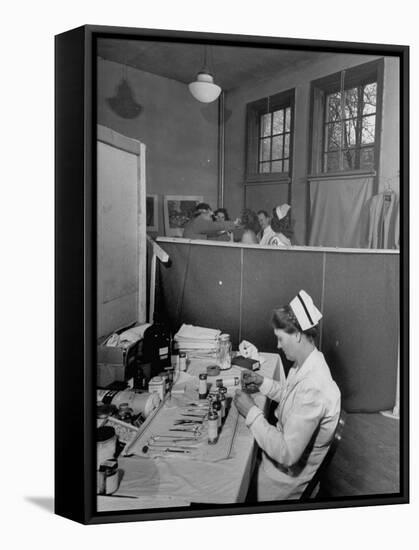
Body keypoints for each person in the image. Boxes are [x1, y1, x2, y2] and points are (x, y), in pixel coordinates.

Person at [233, 290, 341, 501]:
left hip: (284, 482)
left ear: (298, 335)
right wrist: (262, 382)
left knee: (229, 480)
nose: (278, 346)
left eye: (280, 339)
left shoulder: (315, 387)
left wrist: (252, 412)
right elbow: (290, 395)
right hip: (278, 462)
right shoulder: (307, 362)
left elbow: (287, 454)